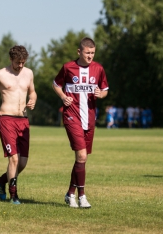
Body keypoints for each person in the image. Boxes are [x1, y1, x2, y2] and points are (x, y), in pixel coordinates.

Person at [52, 37, 109, 208]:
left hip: (89, 118)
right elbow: (56, 84)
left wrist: (101, 94)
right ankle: (82, 196)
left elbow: (105, 90)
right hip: (71, 116)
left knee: (81, 159)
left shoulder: (98, 68)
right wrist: (63, 97)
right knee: (82, 156)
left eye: (93, 52)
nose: (90, 55)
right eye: (87, 52)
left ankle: (70, 193)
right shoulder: (68, 67)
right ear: (79, 52)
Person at [0, 45, 37, 205]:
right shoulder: (0, 74)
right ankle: (14, 195)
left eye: (23, 62)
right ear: (11, 59)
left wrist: (33, 100)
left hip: (23, 121)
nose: (21, 65)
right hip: (6, 120)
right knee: (14, 160)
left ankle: (1, 180)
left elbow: (32, 91)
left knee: (22, 163)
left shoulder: (29, 73)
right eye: (18, 62)